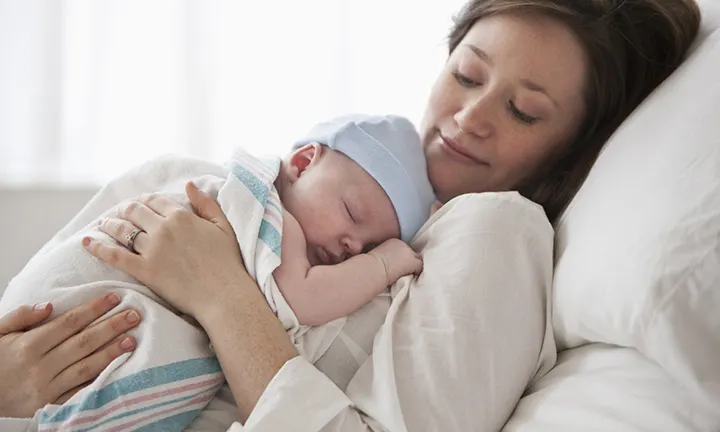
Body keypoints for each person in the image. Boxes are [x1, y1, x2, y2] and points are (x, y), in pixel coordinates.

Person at [0, 0, 701, 430]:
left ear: (570, 149)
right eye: (466, 73)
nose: (468, 118)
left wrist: (219, 291)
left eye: (523, 111)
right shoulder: (354, 189)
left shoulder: (495, 233)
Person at [0, 114, 435, 430]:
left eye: (370, 245)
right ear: (302, 162)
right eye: (352, 212)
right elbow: (303, 298)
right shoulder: (269, 215)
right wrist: (382, 263)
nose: (352, 248)